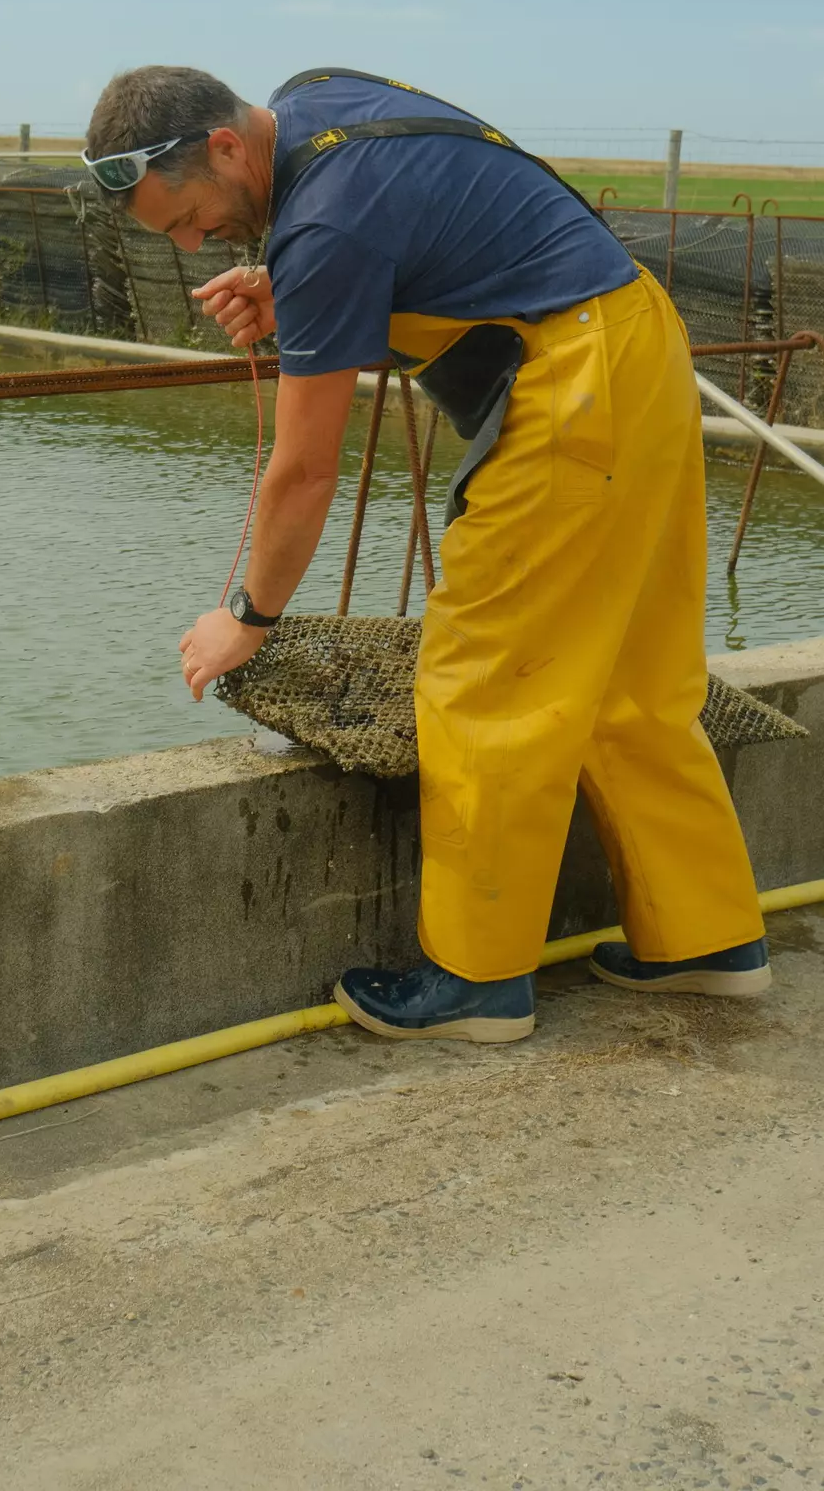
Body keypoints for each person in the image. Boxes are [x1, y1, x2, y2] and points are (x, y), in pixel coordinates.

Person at [83, 64, 770, 1044]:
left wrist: (246, 617)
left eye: (187, 215)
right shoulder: (316, 98)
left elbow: (303, 470)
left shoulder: (322, 232)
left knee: (481, 681)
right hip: (638, 344)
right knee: (631, 682)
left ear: (226, 146)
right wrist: (296, 289)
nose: (194, 243)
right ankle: (703, 937)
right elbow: (428, 215)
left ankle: (476, 981)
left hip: (570, 393)